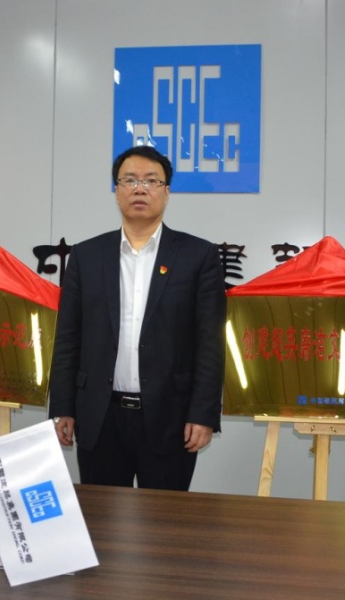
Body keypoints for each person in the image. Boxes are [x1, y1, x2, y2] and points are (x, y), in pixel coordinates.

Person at [48, 145, 227, 491]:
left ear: (166, 192)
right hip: (99, 416)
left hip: (170, 417)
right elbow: (68, 337)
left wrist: (203, 413)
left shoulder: (198, 256)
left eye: (151, 181)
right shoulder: (86, 256)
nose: (140, 189)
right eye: (129, 180)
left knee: (164, 519)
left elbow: (210, 342)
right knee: (102, 516)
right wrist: (63, 407)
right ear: (117, 191)